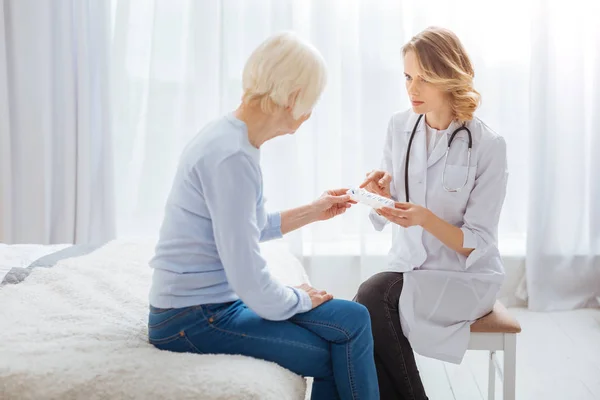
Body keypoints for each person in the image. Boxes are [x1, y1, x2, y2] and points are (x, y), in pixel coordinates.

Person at [147, 32, 379, 400]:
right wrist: (297, 298)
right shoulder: (232, 158)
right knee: (338, 351)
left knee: (354, 318)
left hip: (210, 306)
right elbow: (248, 278)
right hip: (191, 319)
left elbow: (246, 227)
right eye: (311, 101)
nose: (310, 113)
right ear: (291, 98)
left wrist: (314, 211)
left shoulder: (235, 142)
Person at [354, 26, 508, 400]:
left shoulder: (487, 145)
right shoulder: (399, 126)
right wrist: (380, 194)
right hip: (408, 267)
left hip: (464, 277)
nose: (412, 89)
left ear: (449, 77)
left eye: (425, 79)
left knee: (371, 300)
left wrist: (426, 219)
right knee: (365, 314)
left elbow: (480, 244)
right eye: (408, 77)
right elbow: (390, 209)